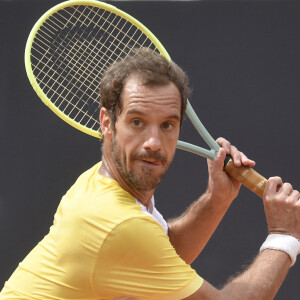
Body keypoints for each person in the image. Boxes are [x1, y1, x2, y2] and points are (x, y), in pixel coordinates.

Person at [1, 48, 300, 300]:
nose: (154, 143)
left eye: (167, 125)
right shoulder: (117, 224)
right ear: (107, 122)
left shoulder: (99, 184)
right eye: (137, 122)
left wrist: (216, 199)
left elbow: (158, 256)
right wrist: (284, 236)